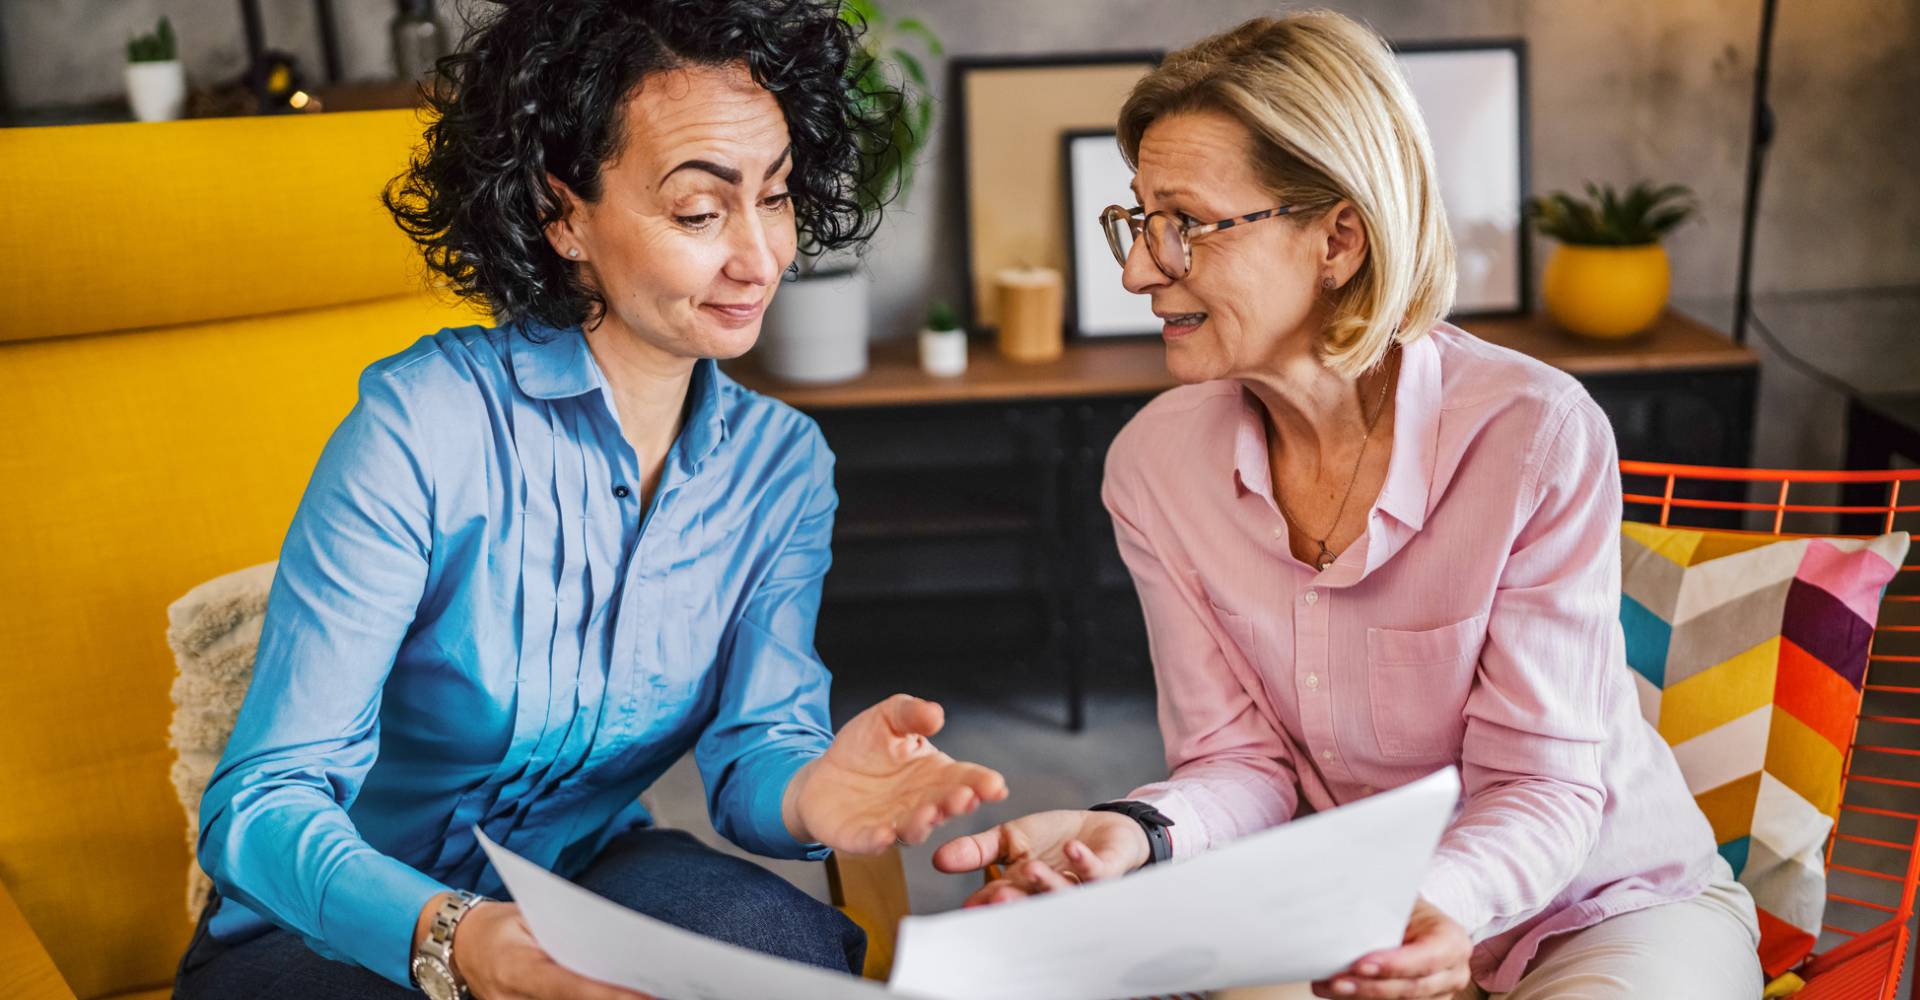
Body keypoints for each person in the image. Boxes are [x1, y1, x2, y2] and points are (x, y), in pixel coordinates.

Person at [175, 3, 1006, 998]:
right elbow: (260, 803)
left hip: (579, 871)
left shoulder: (781, 468)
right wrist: (454, 938)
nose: (760, 258)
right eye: (699, 212)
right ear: (561, 214)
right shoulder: (423, 425)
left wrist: (812, 788)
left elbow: (758, 747)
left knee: (773, 952)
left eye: (776, 197)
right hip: (337, 922)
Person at [933, 12, 1761, 1000]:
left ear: (1338, 237)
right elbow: (1241, 764)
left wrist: (1435, 903)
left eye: (1184, 225)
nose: (1138, 270)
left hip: (1604, 907)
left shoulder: (1534, 434)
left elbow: (1540, 785)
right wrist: (1138, 831)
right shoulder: (1152, 467)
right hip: (1349, 914)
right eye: (1139, 221)